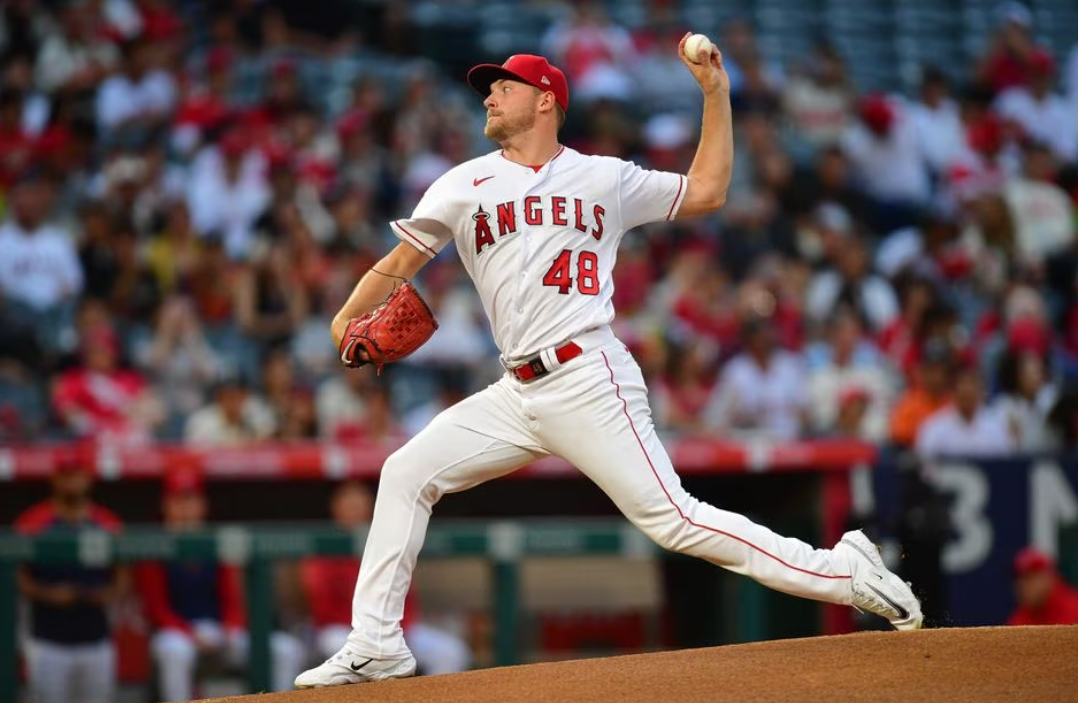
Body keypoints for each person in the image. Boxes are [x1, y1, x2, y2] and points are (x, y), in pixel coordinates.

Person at [296, 40, 922, 689]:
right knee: (405, 471)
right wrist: (346, 317)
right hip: (517, 390)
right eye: (489, 87)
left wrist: (715, 94)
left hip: (588, 375)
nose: (488, 94)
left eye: (503, 86)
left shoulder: (603, 177)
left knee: (674, 518)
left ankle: (844, 571)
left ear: (546, 101)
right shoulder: (462, 183)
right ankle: (376, 641)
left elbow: (707, 190)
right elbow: (399, 263)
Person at [136, 468, 304, 701]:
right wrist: (191, 635)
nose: (185, 508)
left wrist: (229, 629)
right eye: (178, 501)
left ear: (202, 505)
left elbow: (232, 600)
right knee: (175, 652)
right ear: (166, 505)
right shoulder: (157, 545)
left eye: (191, 500)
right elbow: (157, 609)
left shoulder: (214, 542)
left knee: (286, 649)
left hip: (218, 630)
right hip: (176, 633)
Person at [295, 481, 472, 675]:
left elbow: (404, 594)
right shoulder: (324, 546)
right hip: (343, 631)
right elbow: (322, 606)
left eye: (360, 505)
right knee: (339, 645)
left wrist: (394, 630)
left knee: (450, 652)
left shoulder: (385, 541)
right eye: (350, 505)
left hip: (390, 630)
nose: (355, 510)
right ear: (336, 508)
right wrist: (367, 633)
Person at [15, 452, 127, 703]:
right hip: (48, 640)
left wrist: (105, 595)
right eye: (66, 476)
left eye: (77, 475)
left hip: (96, 638)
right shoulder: (33, 522)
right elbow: (18, 577)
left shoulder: (107, 523)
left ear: (88, 478)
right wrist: (48, 593)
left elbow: (123, 576)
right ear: (54, 480)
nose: (71, 483)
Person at [1006, 548, 1078, 626]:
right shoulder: (1019, 619)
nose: (1023, 586)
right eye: (1020, 579)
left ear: (1049, 576)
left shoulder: (1074, 607)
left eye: (1030, 578)